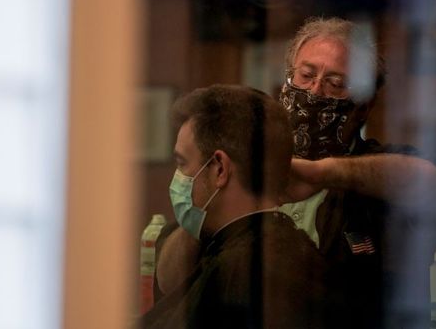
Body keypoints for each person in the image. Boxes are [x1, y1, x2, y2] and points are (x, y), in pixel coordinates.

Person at [157, 18, 436, 328]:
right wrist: (209, 204)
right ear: (286, 84)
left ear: (363, 106)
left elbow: (435, 186)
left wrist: (320, 173)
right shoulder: (248, 166)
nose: (315, 91)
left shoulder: (377, 174)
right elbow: (170, 281)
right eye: (306, 76)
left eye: (336, 83)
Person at [141, 84, 341, 329]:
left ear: (219, 169)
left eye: (182, 163)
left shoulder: (245, 273)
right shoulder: (280, 254)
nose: (178, 177)